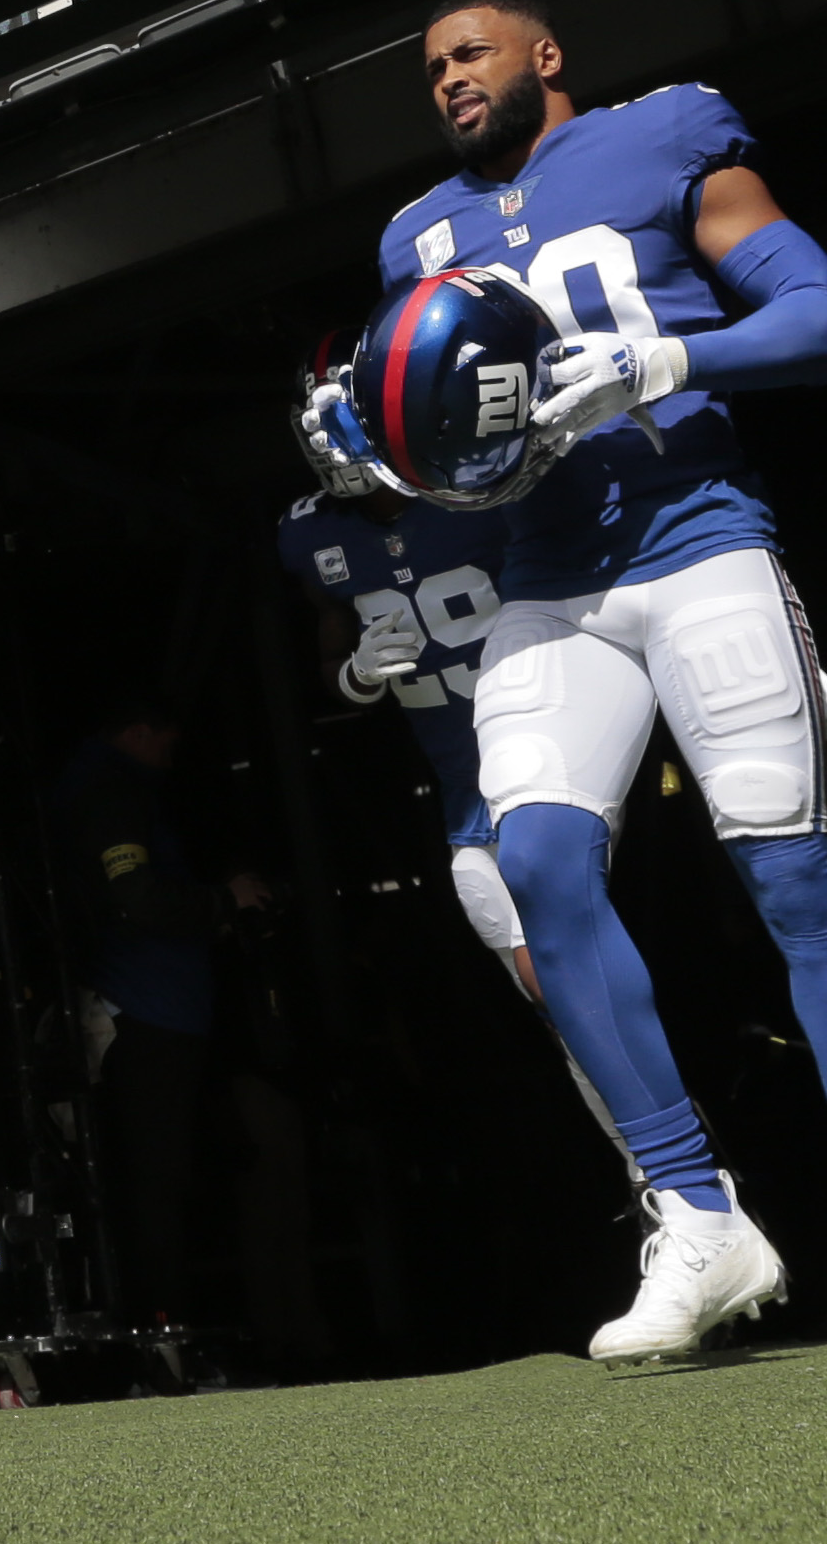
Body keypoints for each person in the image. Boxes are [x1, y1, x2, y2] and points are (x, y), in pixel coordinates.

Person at [308, 0, 827, 1363]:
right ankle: (696, 1208)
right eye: (427, 68)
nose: (446, 80)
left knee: (790, 876)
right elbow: (454, 451)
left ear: (545, 55)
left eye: (468, 53)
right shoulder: (414, 234)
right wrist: (365, 443)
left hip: (700, 536)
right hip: (550, 576)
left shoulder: (667, 133)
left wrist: (668, 352)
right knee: (537, 870)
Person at [279, 471, 636, 1169]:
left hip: (553, 752)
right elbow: (330, 657)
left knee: (567, 960)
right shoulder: (311, 534)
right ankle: (654, 1166)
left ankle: (673, 1164)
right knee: (551, 990)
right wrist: (356, 673)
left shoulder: (485, 488)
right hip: (465, 791)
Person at [51, 694, 320, 1365]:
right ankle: (158, 1342)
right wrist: (226, 900)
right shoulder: (109, 787)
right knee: (154, 1181)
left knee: (160, 1179)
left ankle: (162, 1334)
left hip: (150, 1009)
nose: (171, 759)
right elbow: (136, 897)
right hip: (143, 1010)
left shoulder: (108, 785)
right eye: (166, 743)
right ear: (137, 729)